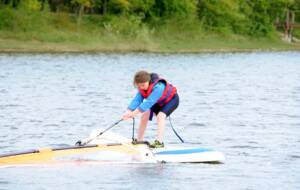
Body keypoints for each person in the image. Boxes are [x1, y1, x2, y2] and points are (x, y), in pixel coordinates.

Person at [122, 70, 179, 148]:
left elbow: (149, 102)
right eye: (139, 86)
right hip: (157, 102)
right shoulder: (142, 88)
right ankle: (139, 141)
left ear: (148, 81)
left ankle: (159, 143)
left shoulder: (159, 86)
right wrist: (128, 112)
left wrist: (133, 114)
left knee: (160, 116)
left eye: (143, 85)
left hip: (171, 100)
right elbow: (137, 100)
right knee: (144, 116)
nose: (141, 87)